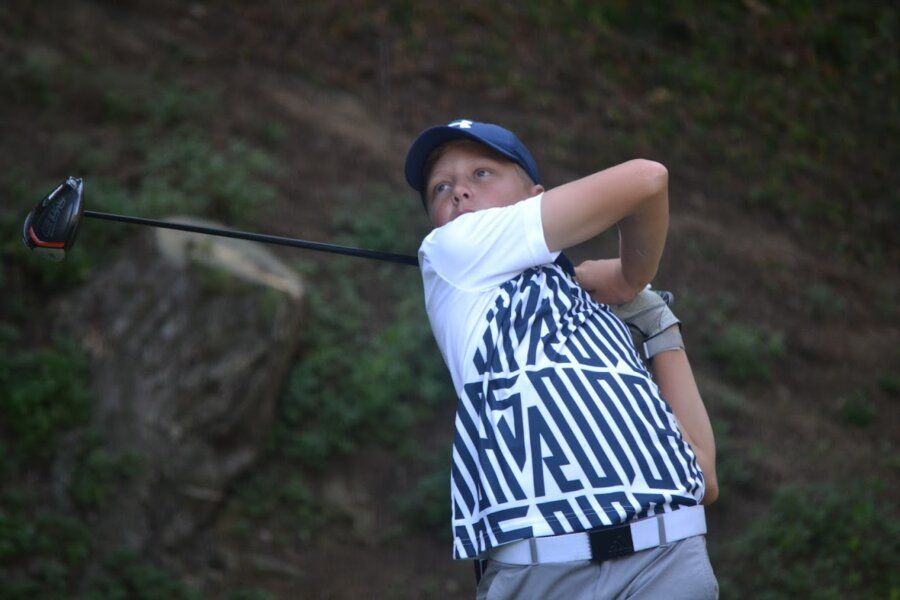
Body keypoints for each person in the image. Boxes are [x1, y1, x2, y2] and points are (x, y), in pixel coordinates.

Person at [404, 119, 718, 599]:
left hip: (668, 561)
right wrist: (630, 279)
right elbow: (646, 179)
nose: (459, 193)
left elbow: (701, 474)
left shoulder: (598, 315)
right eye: (440, 188)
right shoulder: (452, 250)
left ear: (534, 195)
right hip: (544, 574)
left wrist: (655, 322)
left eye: (481, 174)